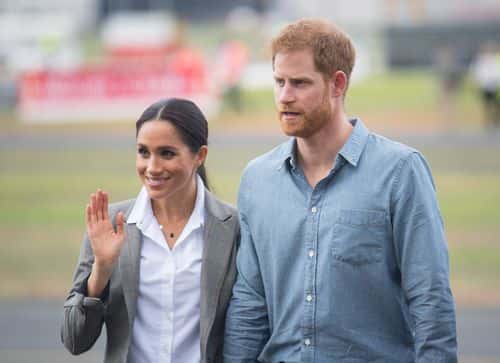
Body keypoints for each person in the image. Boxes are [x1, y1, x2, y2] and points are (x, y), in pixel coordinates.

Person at [223, 19, 457, 362]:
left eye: (300, 83)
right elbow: (249, 303)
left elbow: (430, 297)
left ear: (337, 83)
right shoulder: (257, 179)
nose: (285, 96)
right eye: (279, 82)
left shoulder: (400, 171)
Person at [61, 98, 240, 363]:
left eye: (167, 153)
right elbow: (75, 341)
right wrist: (101, 271)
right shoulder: (109, 225)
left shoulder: (233, 227)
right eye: (144, 152)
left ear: (199, 156)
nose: (152, 168)